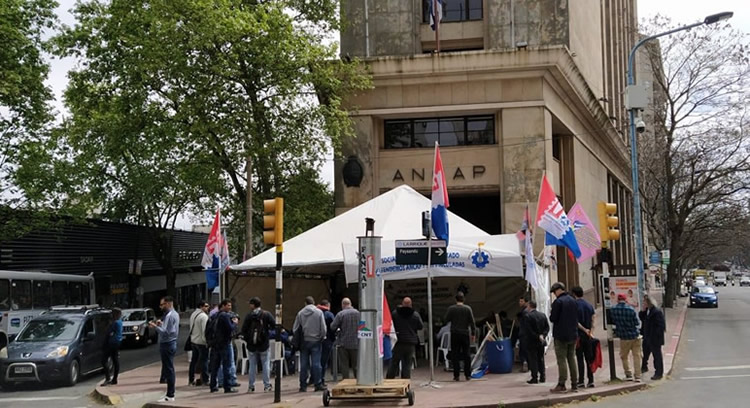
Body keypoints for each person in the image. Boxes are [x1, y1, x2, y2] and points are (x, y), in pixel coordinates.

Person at [293, 296, 327, 392]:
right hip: (316, 341)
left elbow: (295, 328)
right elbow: (323, 328)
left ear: (305, 303)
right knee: (316, 363)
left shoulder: (300, 313)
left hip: (304, 341)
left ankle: (303, 385)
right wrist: (322, 337)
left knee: (304, 364)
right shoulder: (319, 312)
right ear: (313, 302)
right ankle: (318, 384)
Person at [549, 282, 579, 393]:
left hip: (561, 335)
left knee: (561, 360)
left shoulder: (558, 302)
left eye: (554, 292)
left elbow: (553, 318)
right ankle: (574, 383)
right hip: (573, 334)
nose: (554, 294)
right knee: (571, 358)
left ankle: (562, 383)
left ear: (559, 290)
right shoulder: (573, 300)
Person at [241, 297, 275, 393]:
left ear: (253, 305)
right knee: (265, 364)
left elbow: (244, 330)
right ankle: (267, 385)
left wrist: (248, 340)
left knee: (252, 365)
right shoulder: (266, 314)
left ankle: (251, 386)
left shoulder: (249, 316)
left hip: (252, 345)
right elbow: (274, 326)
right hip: (263, 344)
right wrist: (267, 334)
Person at [150, 296, 180, 402]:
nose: (161, 307)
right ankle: (170, 393)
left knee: (169, 369)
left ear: (168, 304)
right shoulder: (175, 314)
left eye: (162, 304)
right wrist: (161, 325)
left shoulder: (169, 315)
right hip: (171, 343)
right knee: (169, 368)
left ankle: (170, 394)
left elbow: (165, 333)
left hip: (167, 344)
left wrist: (155, 326)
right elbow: (169, 329)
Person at [386, 297, 423, 379]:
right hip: (410, 342)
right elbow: (420, 326)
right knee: (407, 364)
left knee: (394, 362)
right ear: (411, 304)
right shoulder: (415, 315)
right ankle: (405, 381)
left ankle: (389, 380)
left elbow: (390, 323)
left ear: (402, 303)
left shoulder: (395, 313)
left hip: (398, 341)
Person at [443, 292, 477, 381]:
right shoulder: (468, 309)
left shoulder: (451, 309)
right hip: (465, 333)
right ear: (464, 299)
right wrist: (473, 333)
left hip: (455, 333)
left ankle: (456, 375)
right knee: (467, 354)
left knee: (455, 354)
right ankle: (467, 374)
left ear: (455, 299)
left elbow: (445, 320)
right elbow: (472, 322)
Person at [209, 299, 240, 394]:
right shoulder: (224, 316)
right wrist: (234, 323)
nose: (229, 307)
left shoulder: (214, 316)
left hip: (215, 344)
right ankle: (227, 387)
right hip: (224, 343)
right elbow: (230, 328)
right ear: (222, 306)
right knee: (227, 365)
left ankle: (213, 386)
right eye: (228, 305)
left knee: (215, 366)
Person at [609, 293, 642, 382]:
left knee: (624, 356)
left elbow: (612, 322)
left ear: (617, 300)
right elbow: (636, 323)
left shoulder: (613, 310)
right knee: (637, 356)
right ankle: (638, 376)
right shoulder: (631, 310)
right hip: (635, 335)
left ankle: (628, 374)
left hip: (623, 336)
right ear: (625, 299)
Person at [571, 286, 596, 388]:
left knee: (580, 359)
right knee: (589, 358)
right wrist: (591, 331)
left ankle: (581, 380)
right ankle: (591, 380)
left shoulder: (574, 305)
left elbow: (575, 321)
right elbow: (593, 319)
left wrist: (584, 330)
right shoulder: (589, 305)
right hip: (589, 336)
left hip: (579, 336)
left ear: (574, 294)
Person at [331, 297, 359, 379]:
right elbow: (363, 327)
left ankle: (345, 382)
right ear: (350, 304)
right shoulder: (359, 313)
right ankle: (358, 381)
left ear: (343, 305)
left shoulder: (341, 314)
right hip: (356, 343)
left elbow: (333, 327)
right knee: (356, 365)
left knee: (344, 365)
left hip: (343, 343)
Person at [522, 301, 549, 384]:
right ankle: (543, 376)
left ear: (530, 306)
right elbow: (547, 327)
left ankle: (534, 377)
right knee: (541, 358)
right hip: (541, 341)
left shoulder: (528, 316)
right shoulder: (542, 315)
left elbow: (528, 330)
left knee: (533, 359)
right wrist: (542, 335)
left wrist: (537, 336)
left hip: (531, 341)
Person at [641, 295, 666, 380]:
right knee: (645, 354)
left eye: (644, 302)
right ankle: (644, 367)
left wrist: (655, 335)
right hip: (647, 337)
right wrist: (643, 311)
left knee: (657, 356)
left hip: (654, 338)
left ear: (649, 303)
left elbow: (661, 325)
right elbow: (642, 319)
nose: (643, 303)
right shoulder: (647, 311)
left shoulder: (656, 312)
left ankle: (658, 372)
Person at [188, 301, 210, 387]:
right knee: (204, 360)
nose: (208, 308)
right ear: (201, 306)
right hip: (201, 342)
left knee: (194, 361)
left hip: (193, 341)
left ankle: (191, 379)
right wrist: (206, 342)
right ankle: (205, 379)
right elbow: (204, 331)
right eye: (206, 306)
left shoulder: (193, 314)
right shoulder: (203, 316)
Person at [100, 308, 123, 386]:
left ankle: (108, 378)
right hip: (117, 342)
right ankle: (114, 379)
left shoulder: (115, 323)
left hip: (111, 343)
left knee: (104, 360)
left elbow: (108, 332)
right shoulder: (120, 322)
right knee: (115, 360)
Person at [317, 299, 335, 386]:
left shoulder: (316, 313)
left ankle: (314, 379)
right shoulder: (329, 315)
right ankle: (321, 380)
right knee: (324, 362)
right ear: (328, 305)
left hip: (315, 339)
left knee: (316, 361)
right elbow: (333, 327)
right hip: (327, 340)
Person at [517, 296, 530, 372]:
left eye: (521, 301)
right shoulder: (524, 311)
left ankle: (525, 364)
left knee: (523, 350)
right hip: (524, 333)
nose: (520, 303)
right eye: (519, 301)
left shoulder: (525, 312)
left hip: (524, 334)